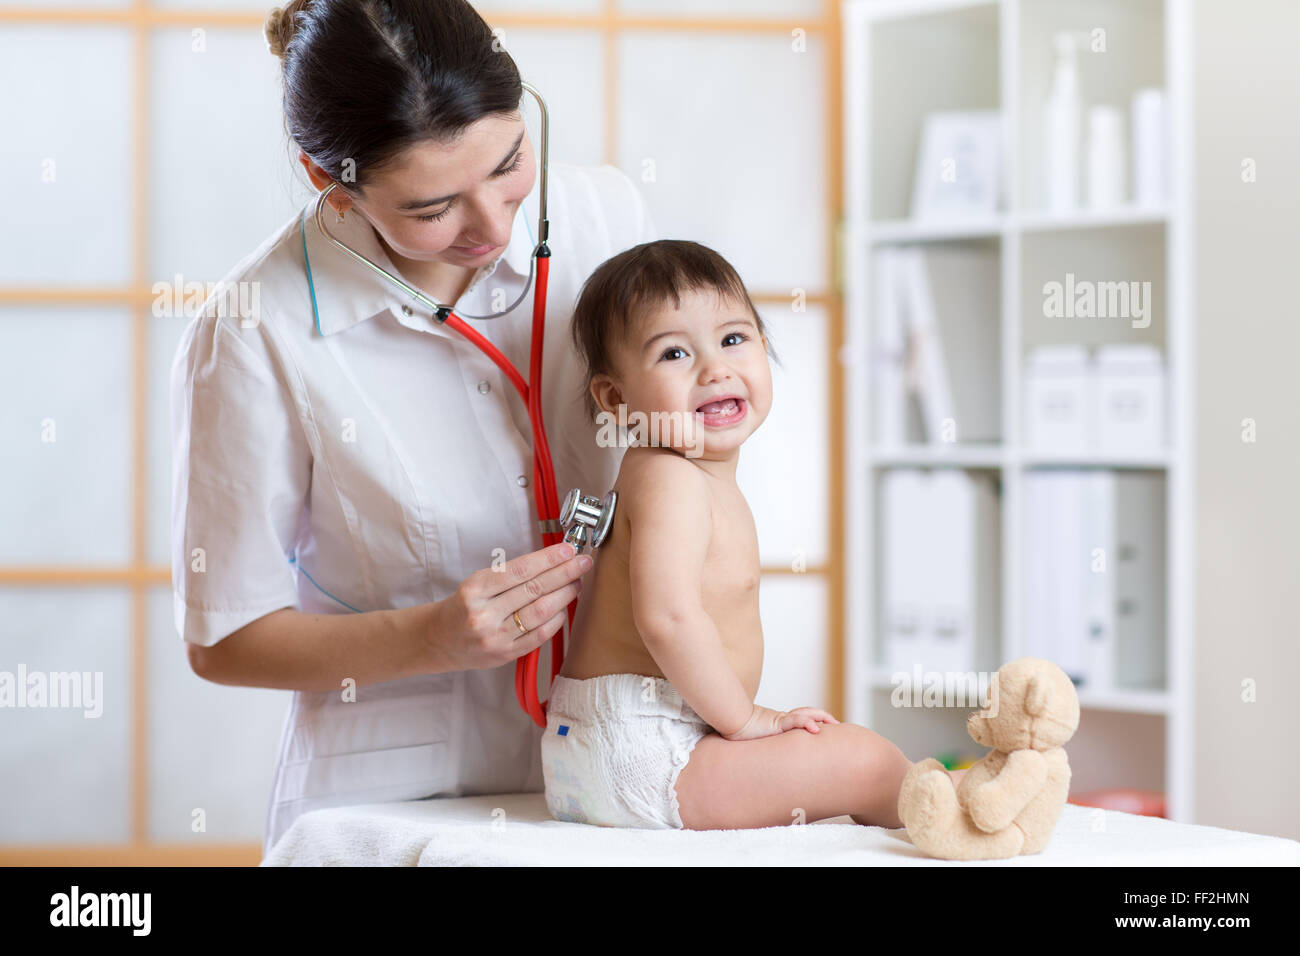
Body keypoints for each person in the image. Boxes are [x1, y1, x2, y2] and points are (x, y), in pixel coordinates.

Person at [170, 0, 654, 857]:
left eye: (509, 163)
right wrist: (435, 636)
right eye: (433, 209)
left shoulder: (604, 219)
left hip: (618, 764)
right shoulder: (254, 328)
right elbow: (226, 639)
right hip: (390, 796)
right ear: (330, 180)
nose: (496, 225)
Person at [541, 240, 966, 829]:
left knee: (830, 756)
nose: (715, 368)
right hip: (639, 748)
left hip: (645, 740)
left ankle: (922, 794)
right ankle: (945, 805)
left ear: (764, 350)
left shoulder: (683, 473)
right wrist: (745, 722)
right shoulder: (670, 476)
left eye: (734, 340)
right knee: (858, 758)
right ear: (617, 399)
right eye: (673, 353)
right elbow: (667, 617)